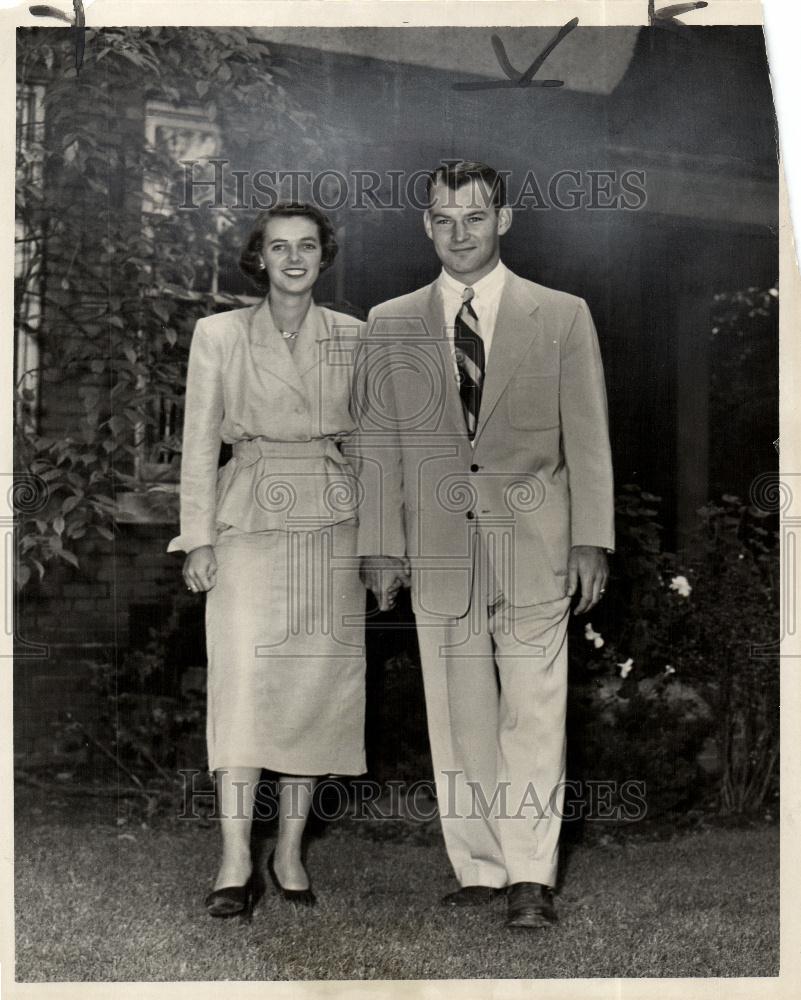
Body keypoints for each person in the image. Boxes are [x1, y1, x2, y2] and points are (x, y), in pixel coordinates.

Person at [355, 161, 614, 930]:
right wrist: (379, 544)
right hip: (436, 549)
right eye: (443, 219)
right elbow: (377, 444)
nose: (458, 233)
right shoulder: (390, 322)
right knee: (459, 713)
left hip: (536, 544)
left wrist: (591, 539)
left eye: (473, 217)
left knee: (533, 711)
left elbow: (587, 440)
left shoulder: (561, 315)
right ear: (424, 225)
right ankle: (479, 865)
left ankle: (530, 877)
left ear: (503, 220)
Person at [168, 202, 366, 917]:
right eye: (277, 247)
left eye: (306, 246)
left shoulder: (353, 334)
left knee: (314, 680)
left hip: (330, 515)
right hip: (246, 510)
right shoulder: (218, 333)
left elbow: (370, 446)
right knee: (243, 679)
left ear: (323, 255)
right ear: (258, 258)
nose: (292, 258)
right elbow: (197, 442)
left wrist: (378, 548)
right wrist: (198, 537)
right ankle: (232, 859)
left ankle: (287, 851)